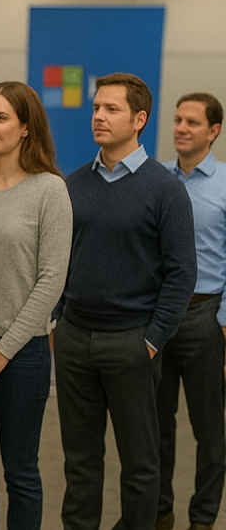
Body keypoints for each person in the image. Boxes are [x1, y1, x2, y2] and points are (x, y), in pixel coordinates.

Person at [52, 72, 197, 530]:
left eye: (111, 109)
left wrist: (152, 340)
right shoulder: (73, 184)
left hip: (133, 343)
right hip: (74, 341)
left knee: (140, 465)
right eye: (96, 107)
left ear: (139, 119)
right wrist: (57, 322)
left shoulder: (165, 188)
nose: (98, 116)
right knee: (80, 463)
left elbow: (182, 274)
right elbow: (60, 262)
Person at [0, 81, 72, 530]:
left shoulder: (49, 191)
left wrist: (2, 350)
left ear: (26, 128)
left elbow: (51, 282)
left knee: (21, 473)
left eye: (0, 117)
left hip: (21, 351)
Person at [156, 93, 226, 530]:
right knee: (156, 426)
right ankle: (160, 512)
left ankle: (202, 519)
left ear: (213, 131)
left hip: (206, 318)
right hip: (158, 319)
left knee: (209, 433)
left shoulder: (223, 184)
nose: (181, 128)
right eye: (178, 119)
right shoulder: (157, 180)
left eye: (193, 122)